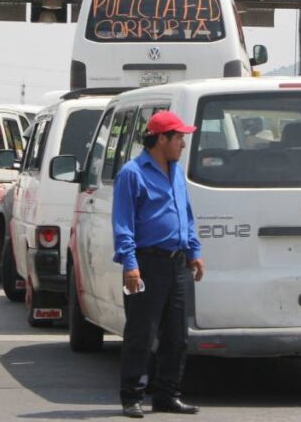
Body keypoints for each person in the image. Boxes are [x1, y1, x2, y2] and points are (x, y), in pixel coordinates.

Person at [112, 110, 204, 418]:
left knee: (178, 335)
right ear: (161, 139)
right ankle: (132, 396)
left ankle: (168, 395)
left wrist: (194, 250)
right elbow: (123, 223)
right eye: (178, 138)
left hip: (176, 263)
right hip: (146, 263)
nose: (182, 144)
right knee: (141, 333)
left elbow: (185, 215)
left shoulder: (177, 171)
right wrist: (130, 264)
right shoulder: (132, 173)